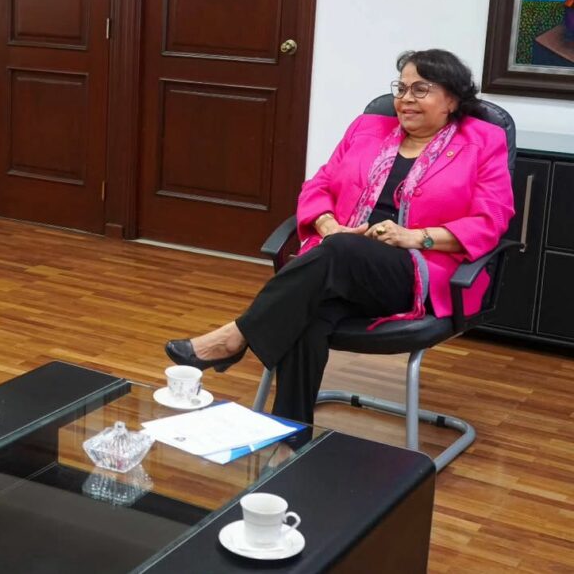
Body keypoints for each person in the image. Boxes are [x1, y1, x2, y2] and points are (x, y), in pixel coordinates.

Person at [165, 49, 515, 424]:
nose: (405, 99)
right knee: (308, 316)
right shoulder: (368, 129)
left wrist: (415, 237)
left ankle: (236, 336)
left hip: (417, 272)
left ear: (452, 100)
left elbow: (491, 219)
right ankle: (291, 435)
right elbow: (319, 185)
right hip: (339, 264)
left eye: (420, 89)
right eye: (401, 88)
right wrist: (328, 224)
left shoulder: (483, 141)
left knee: (340, 252)